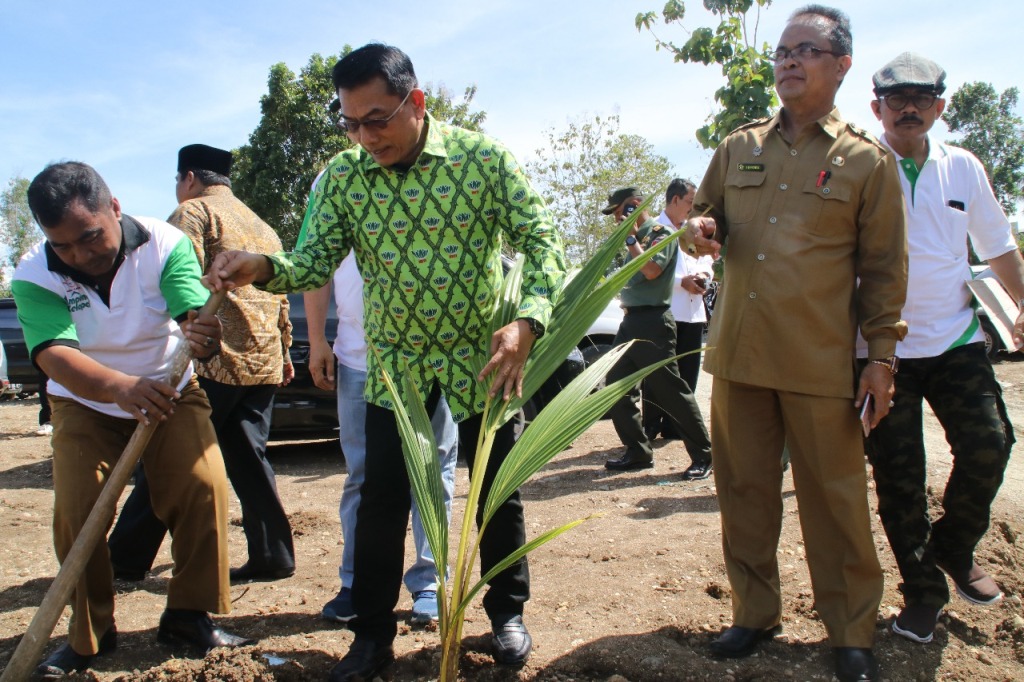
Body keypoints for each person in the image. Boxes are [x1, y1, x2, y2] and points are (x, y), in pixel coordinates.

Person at [203, 43, 566, 682]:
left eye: (377, 120)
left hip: (482, 358)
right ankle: (371, 636)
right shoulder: (344, 177)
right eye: (351, 123)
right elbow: (312, 261)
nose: (365, 137)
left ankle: (507, 613)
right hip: (395, 366)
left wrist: (527, 321)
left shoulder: (483, 161)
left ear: (415, 102)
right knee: (381, 502)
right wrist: (260, 266)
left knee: (495, 491)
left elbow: (544, 241)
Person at [683, 6, 909, 681]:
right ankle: (754, 614)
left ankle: (851, 632)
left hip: (819, 360)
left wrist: (881, 359)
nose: (788, 60)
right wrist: (700, 231)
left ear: (841, 66)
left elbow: (885, 271)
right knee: (744, 492)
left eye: (806, 49)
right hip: (740, 355)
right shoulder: (738, 147)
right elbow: (706, 215)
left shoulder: (867, 161)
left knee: (834, 502)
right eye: (783, 50)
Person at [11, 162, 251, 677]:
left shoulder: (163, 242)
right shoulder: (34, 273)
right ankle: (90, 634)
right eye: (63, 246)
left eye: (89, 237)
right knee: (76, 513)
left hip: (168, 389)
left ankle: (188, 616)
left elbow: (191, 306)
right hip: (84, 402)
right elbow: (54, 355)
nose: (81, 255)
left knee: (203, 486)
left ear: (114, 208)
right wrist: (121, 389)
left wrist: (202, 331)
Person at [859, 52, 1022, 645]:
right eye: (896, 99)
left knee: (990, 443)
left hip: (956, 339)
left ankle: (954, 545)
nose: (909, 109)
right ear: (876, 107)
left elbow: (997, 245)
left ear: (939, 107)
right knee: (899, 477)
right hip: (879, 349)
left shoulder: (963, 167)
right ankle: (923, 593)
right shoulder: (859, 166)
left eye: (921, 99)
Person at [108, 144, 296, 584]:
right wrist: (285, 351)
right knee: (249, 460)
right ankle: (273, 554)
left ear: (188, 178)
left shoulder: (192, 213)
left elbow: (178, 282)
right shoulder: (262, 225)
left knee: (167, 457)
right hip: (263, 362)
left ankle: (124, 558)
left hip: (213, 362)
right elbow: (281, 294)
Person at [305, 242, 458, 626]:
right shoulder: (327, 201)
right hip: (359, 360)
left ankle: (430, 581)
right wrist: (317, 339)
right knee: (362, 473)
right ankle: (357, 582)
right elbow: (314, 267)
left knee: (431, 470)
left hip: (432, 357)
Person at [601, 187, 713, 481]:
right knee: (615, 386)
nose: (616, 219)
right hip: (631, 321)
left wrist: (630, 239)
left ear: (635, 206)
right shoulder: (637, 238)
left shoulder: (661, 234)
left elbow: (651, 270)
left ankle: (704, 454)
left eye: (619, 212)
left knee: (671, 392)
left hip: (653, 322)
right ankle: (638, 451)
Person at [642, 178, 715, 442]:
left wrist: (704, 275)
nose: (693, 209)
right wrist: (680, 282)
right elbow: (645, 268)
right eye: (690, 202)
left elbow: (707, 260)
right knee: (657, 374)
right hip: (666, 311)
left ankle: (677, 426)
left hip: (693, 313)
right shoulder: (653, 229)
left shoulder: (693, 230)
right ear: (675, 199)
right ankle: (651, 425)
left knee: (687, 373)